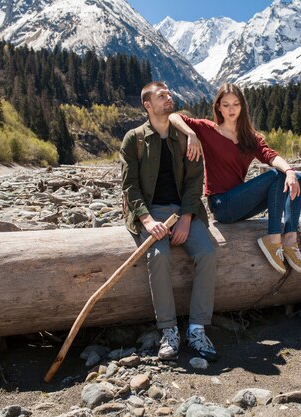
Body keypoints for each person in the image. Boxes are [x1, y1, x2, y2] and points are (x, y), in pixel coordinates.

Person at [120, 81, 218, 362]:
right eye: (161, 96)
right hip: (150, 213)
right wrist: (148, 221)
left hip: (183, 209)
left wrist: (186, 217)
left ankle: (197, 329)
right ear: (147, 105)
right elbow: (130, 186)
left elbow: (194, 181)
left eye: (169, 94)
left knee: (207, 254)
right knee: (159, 256)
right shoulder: (134, 139)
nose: (169, 98)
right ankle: (169, 330)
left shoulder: (185, 137)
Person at [169, 83, 301, 275]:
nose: (231, 109)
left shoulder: (251, 138)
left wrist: (290, 171)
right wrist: (191, 133)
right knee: (276, 175)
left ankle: (290, 239)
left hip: (241, 205)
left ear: (242, 106)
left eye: (236, 104)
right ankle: (274, 240)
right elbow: (173, 116)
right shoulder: (208, 129)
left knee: (296, 177)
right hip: (222, 204)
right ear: (218, 107)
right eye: (226, 105)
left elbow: (271, 156)